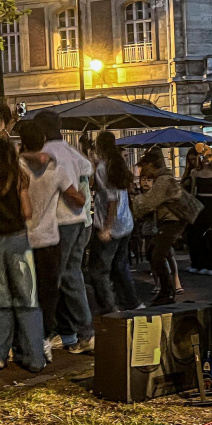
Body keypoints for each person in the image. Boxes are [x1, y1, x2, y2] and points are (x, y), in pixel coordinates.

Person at [0, 104, 46, 373]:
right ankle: (34, 356)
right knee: (27, 299)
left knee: (0, 300)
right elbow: (27, 212)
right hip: (18, 237)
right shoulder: (19, 176)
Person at [17, 121, 85, 362]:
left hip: (22, 238)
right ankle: (45, 339)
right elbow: (77, 199)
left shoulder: (17, 166)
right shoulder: (56, 169)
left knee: (24, 293)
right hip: (49, 239)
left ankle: (23, 341)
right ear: (44, 140)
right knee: (48, 293)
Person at [34, 110, 95, 355]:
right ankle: (82, 331)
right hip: (80, 221)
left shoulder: (46, 153)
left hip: (59, 222)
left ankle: (49, 334)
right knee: (72, 275)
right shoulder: (70, 151)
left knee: (53, 280)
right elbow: (88, 168)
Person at [87, 131, 140, 314]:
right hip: (125, 222)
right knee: (120, 266)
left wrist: (106, 227)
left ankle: (109, 307)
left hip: (112, 225)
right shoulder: (117, 164)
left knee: (99, 269)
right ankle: (131, 302)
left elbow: (112, 200)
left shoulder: (104, 167)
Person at [133, 149, 191, 306]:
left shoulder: (163, 180)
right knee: (152, 252)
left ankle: (167, 292)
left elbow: (149, 203)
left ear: (151, 165)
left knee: (158, 255)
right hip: (169, 221)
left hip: (174, 221)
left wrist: (136, 200)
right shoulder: (162, 178)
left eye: (144, 167)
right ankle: (167, 290)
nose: (142, 172)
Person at [184, 150, 212, 275]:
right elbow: (193, 192)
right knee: (197, 234)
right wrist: (191, 207)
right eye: (203, 157)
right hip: (199, 203)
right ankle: (198, 264)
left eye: (207, 157)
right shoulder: (194, 172)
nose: (205, 159)